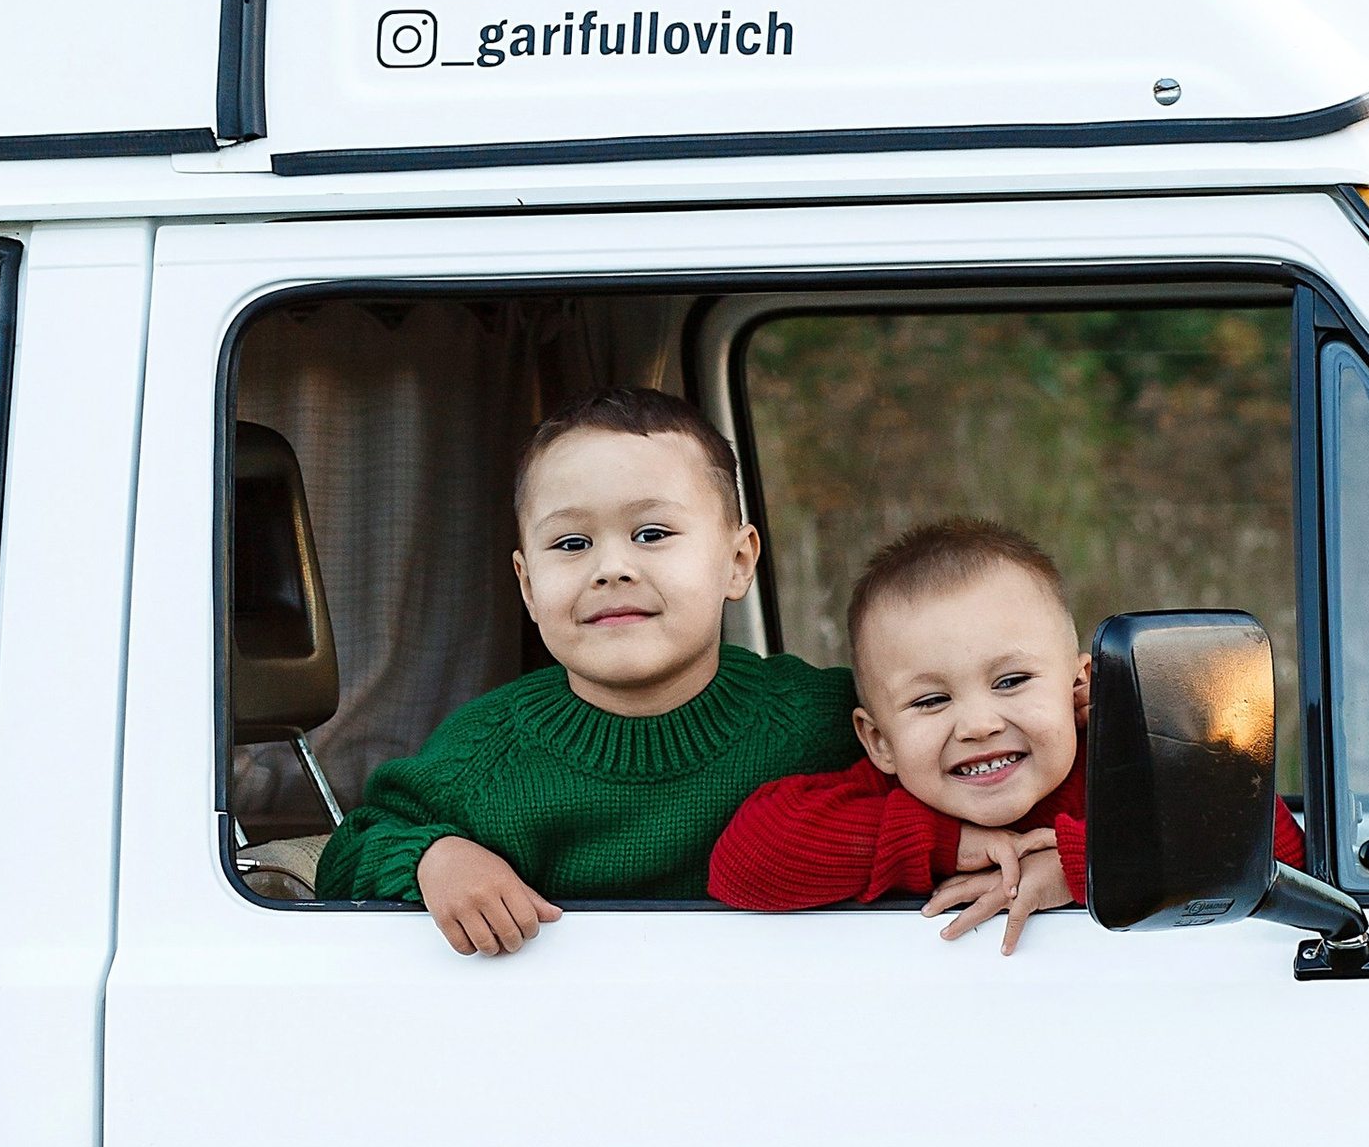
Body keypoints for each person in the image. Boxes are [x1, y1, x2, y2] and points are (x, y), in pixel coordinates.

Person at [314, 387, 861, 949]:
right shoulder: (483, 754)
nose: (612, 569)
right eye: (572, 543)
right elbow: (349, 856)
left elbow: (942, 769)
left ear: (737, 562)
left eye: (652, 534)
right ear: (528, 586)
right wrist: (434, 858)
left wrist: (956, 846)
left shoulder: (825, 720)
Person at [710, 516, 1303, 953]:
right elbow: (744, 863)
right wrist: (947, 844)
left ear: (1081, 684)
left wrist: (1088, 869)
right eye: (930, 700)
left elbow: (1279, 861)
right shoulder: (887, 799)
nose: (978, 724)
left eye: (1012, 680)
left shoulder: (1123, 780)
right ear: (879, 742)